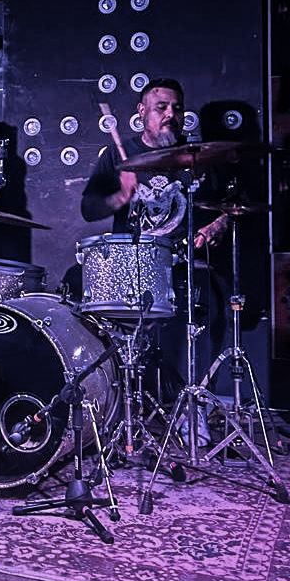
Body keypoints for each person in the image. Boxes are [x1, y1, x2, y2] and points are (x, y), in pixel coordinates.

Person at [78, 78, 230, 405]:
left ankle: (193, 406)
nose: (170, 114)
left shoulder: (198, 157)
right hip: (130, 267)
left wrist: (217, 226)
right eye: (161, 107)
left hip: (183, 266)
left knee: (208, 304)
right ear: (142, 111)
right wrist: (120, 196)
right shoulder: (118, 157)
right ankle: (117, 404)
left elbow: (228, 208)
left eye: (177, 108)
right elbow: (88, 209)